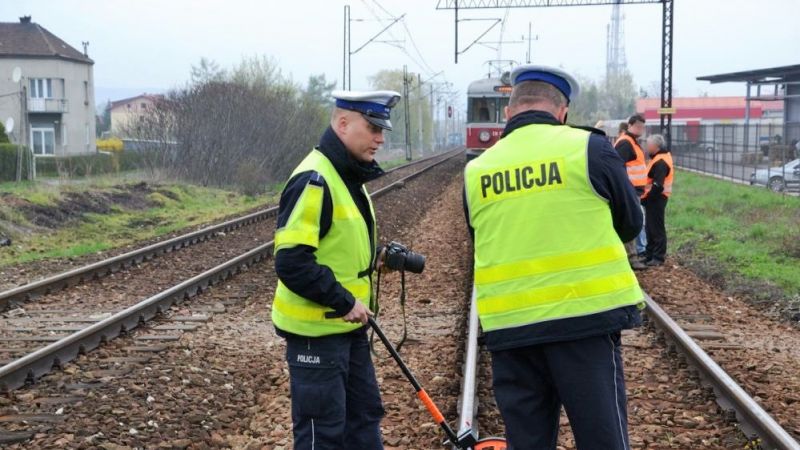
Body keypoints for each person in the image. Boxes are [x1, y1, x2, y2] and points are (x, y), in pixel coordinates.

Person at [463, 64, 645, 450]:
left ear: (509, 112)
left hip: (510, 330)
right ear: (562, 112)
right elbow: (631, 222)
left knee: (527, 443)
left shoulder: (477, 169)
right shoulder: (589, 148)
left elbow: (480, 235)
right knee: (603, 440)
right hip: (584, 322)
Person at [271, 89, 401, 449]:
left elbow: (334, 244)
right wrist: (344, 301)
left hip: (348, 327)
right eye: (373, 128)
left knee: (364, 419)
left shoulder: (345, 175)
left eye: (382, 129)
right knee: (322, 434)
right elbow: (292, 261)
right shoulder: (315, 179)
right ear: (343, 124)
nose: (380, 138)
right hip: (318, 331)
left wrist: (373, 260)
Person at [615, 114, 648, 269]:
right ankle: (632, 257)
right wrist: (625, 188)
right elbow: (618, 167)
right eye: (638, 126)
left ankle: (633, 255)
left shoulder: (632, 142)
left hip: (634, 190)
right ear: (630, 125)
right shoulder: (626, 143)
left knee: (634, 221)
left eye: (642, 127)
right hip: (630, 190)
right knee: (632, 221)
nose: (640, 130)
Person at [642, 134, 674, 267]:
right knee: (650, 227)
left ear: (656, 146)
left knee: (656, 228)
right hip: (654, 198)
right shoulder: (658, 158)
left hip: (656, 199)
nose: (646, 147)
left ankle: (658, 257)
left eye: (648, 145)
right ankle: (650, 255)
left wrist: (648, 199)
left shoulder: (660, 161)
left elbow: (658, 185)